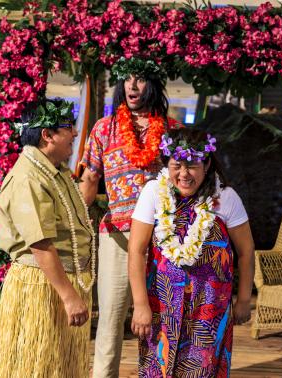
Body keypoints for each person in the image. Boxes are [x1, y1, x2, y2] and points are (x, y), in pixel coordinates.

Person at [79, 57, 182, 378]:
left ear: (152, 85)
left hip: (163, 238)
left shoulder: (171, 129)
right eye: (127, 79)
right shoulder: (104, 128)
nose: (132, 86)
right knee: (110, 320)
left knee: (164, 319)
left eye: (140, 80)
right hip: (118, 237)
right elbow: (89, 181)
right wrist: (76, 225)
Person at [128, 129, 255, 377]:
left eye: (192, 166)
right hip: (161, 305)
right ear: (167, 164)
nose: (184, 174)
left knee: (201, 370)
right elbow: (136, 251)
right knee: (158, 369)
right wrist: (140, 304)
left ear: (206, 164)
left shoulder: (225, 198)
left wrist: (244, 300)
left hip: (209, 308)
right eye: (177, 165)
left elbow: (247, 251)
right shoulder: (154, 192)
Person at [0, 99, 95, 378]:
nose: (75, 133)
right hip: (44, 286)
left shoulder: (54, 171)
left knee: (60, 365)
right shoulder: (28, 177)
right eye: (68, 128)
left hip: (59, 282)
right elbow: (40, 243)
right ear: (47, 135)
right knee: (37, 367)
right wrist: (69, 296)